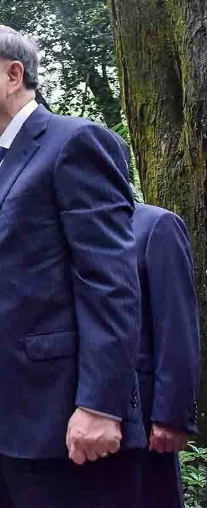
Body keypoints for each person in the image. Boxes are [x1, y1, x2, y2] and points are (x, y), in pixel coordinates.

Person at [0, 23, 145, 507]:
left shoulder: (74, 144)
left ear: (14, 74)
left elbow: (109, 281)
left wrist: (99, 404)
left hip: (62, 415)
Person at [107, 133, 200, 507]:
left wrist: (171, 415)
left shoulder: (156, 226)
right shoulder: (73, 235)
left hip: (147, 412)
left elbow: (177, 325)